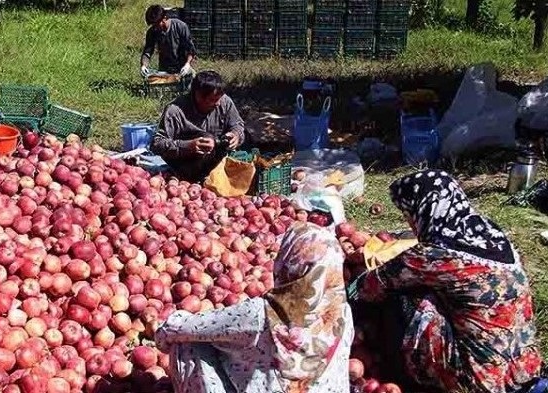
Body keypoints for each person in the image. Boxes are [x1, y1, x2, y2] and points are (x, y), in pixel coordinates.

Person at [348, 170, 544, 393]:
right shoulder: (494, 237)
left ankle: (403, 376)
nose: (410, 224)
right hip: (524, 369)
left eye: (408, 215)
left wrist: (344, 284)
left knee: (402, 300)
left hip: (479, 380)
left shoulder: (433, 254)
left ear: (423, 211)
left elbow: (369, 287)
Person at [155, 220, 353, 393]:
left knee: (186, 343)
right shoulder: (344, 313)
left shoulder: (262, 314)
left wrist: (162, 336)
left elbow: (177, 328)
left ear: (288, 263)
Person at [150, 71, 245, 183]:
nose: (218, 103)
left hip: (217, 168)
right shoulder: (175, 111)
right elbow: (156, 144)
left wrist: (236, 135)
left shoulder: (224, 102)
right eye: (212, 100)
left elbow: (238, 125)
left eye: (220, 98)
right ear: (198, 96)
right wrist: (188, 146)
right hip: (185, 168)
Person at [140, 4, 196, 78]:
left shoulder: (180, 26)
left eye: (157, 24)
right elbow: (147, 52)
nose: (155, 27)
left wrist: (187, 64)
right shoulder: (152, 31)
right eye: (153, 25)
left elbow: (190, 50)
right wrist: (144, 66)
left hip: (182, 67)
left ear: (164, 18)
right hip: (165, 69)